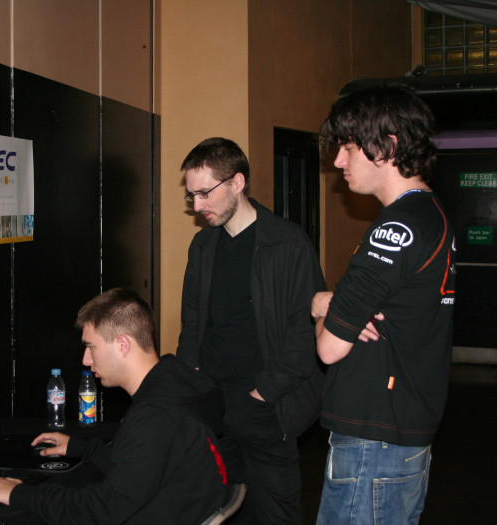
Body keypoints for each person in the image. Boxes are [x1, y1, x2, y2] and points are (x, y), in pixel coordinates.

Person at [311, 83, 457, 524]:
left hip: (373, 443)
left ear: (386, 147)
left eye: (348, 147)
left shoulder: (396, 229)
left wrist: (320, 307)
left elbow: (329, 347)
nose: (338, 161)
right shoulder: (429, 215)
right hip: (400, 433)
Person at [0, 287, 230, 524]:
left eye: (91, 347)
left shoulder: (157, 416)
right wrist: (83, 448)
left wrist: (19, 494)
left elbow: (103, 509)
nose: (86, 359)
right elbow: (139, 470)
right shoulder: (173, 387)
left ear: (123, 345)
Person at [176, 137, 326, 524]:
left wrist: (263, 395)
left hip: (265, 408)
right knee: (221, 512)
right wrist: (193, 382)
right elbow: (192, 323)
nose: (197, 206)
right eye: (192, 196)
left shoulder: (287, 242)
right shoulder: (203, 246)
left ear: (237, 183)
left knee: (275, 514)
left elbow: (304, 332)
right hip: (214, 407)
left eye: (205, 193)